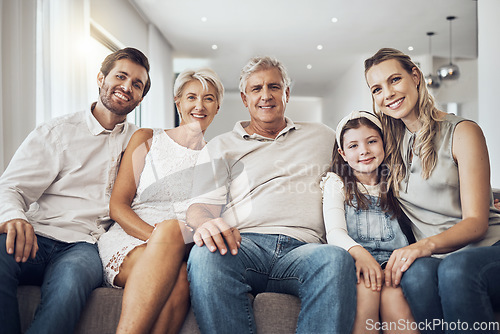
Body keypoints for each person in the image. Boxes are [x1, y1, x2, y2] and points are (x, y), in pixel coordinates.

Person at [185, 56, 357, 334]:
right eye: (256, 89)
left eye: (274, 87)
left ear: (286, 93)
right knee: (204, 256)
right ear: (244, 97)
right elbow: (198, 207)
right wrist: (206, 223)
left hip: (305, 248)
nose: (266, 95)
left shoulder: (323, 136)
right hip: (243, 245)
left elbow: (362, 163)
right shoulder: (221, 146)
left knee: (336, 261)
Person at [0, 47, 150, 334]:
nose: (126, 87)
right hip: (39, 233)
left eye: (137, 84)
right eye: (121, 76)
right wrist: (13, 216)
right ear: (101, 78)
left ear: (140, 97)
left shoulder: (139, 141)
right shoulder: (57, 132)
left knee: (71, 285)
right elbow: (12, 187)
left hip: (85, 245)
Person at [364, 47, 500, 334]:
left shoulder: (463, 132)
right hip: (434, 258)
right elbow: (350, 158)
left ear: (415, 77)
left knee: (455, 270)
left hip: (487, 248)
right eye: (377, 89)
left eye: (394, 80)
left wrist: (421, 246)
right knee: (415, 276)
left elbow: (476, 224)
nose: (387, 93)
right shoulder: (388, 147)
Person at [98, 68, 224, 334]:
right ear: (178, 102)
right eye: (191, 97)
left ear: (218, 107)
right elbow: (118, 206)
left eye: (209, 98)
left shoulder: (217, 159)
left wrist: (172, 242)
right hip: (132, 236)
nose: (199, 105)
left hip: (180, 247)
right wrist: (161, 239)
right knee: (170, 230)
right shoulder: (147, 138)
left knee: (181, 278)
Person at [321, 110, 418, 334]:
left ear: (384, 143)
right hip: (357, 263)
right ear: (342, 153)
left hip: (395, 266)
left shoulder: (396, 180)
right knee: (366, 297)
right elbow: (334, 233)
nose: (364, 151)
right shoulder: (336, 183)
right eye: (353, 146)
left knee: (397, 305)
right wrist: (361, 254)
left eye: (372, 141)